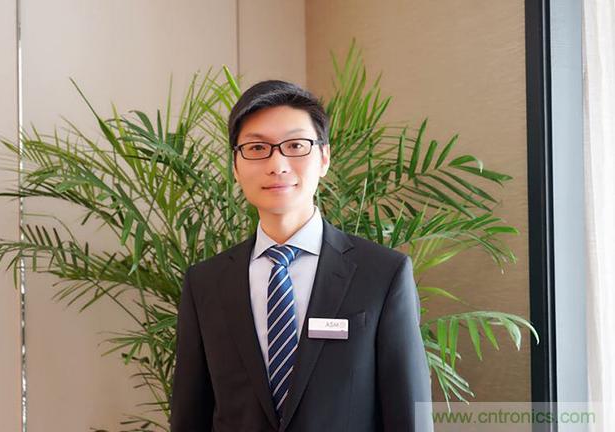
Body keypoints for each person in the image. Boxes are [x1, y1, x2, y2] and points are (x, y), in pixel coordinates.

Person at [169, 80, 433, 432]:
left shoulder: (383, 274)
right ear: (235, 165)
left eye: (295, 145)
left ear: (324, 158)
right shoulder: (205, 283)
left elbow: (408, 417)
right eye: (257, 147)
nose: (277, 164)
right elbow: (190, 416)